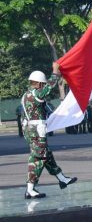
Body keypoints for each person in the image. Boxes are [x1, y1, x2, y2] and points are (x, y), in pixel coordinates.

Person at [22, 63, 77, 199]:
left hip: (31, 131)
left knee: (46, 155)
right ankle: (30, 188)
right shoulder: (36, 93)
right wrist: (55, 72)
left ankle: (62, 178)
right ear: (40, 84)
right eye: (43, 84)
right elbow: (48, 88)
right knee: (39, 159)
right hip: (37, 131)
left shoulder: (26, 95)